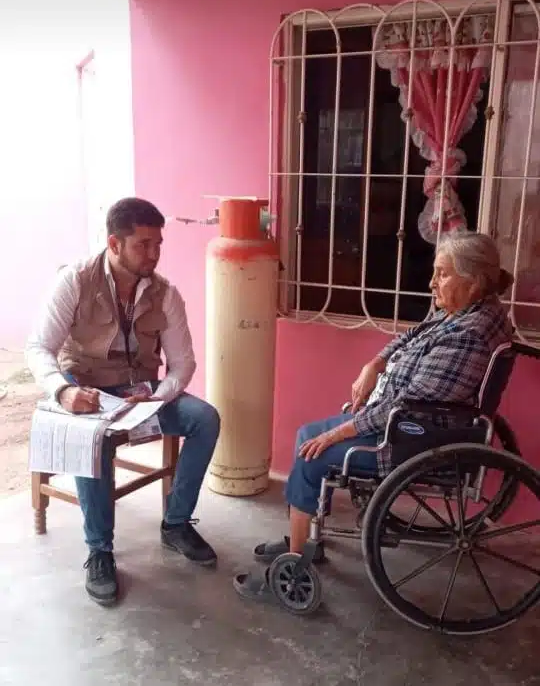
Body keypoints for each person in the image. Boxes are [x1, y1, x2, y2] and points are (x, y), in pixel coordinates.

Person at [233, 230, 514, 605]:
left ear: (475, 280)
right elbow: (411, 336)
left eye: (442, 274)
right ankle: (306, 537)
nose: (432, 282)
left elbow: (407, 406)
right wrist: (375, 363)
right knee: (308, 435)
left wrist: (339, 434)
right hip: (407, 422)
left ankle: (296, 563)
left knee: (310, 452)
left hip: (412, 435)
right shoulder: (465, 311)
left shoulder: (469, 334)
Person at [26, 197, 220, 606]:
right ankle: (99, 550)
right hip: (89, 390)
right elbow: (39, 347)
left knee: (205, 418)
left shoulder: (165, 293)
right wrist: (62, 390)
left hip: (143, 393)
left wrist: (155, 394)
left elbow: (183, 364)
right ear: (114, 244)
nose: (154, 254)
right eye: (143, 245)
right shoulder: (75, 281)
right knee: (91, 436)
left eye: (158, 244)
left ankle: (176, 522)